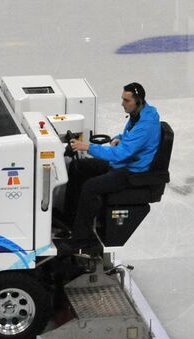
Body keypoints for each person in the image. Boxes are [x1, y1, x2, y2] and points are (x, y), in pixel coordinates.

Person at [61, 83, 162, 252]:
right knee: (79, 166)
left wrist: (87, 147)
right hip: (124, 163)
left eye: (126, 100)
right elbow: (132, 138)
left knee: (90, 187)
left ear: (138, 101)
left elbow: (120, 154)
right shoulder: (139, 114)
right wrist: (120, 137)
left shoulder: (146, 124)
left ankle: (81, 239)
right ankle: (70, 219)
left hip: (131, 171)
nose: (122, 103)